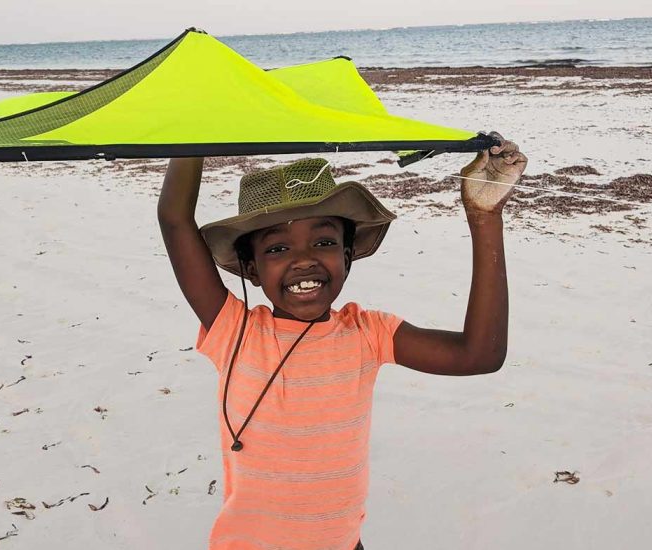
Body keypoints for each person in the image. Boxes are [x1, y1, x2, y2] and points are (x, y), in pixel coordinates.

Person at [157, 134, 527, 550]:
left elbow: (480, 354)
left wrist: (485, 215)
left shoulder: (367, 334)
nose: (304, 259)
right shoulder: (235, 331)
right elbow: (175, 220)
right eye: (277, 247)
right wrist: (192, 131)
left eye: (324, 242)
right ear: (251, 269)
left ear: (347, 257)